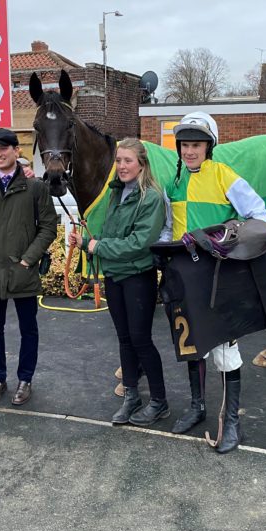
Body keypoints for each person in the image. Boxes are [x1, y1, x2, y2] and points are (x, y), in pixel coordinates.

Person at [160, 111, 266, 454]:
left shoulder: (225, 176)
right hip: (185, 277)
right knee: (192, 345)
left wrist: (225, 237)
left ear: (209, 146)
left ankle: (233, 421)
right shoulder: (173, 182)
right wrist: (164, 251)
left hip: (219, 278)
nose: (189, 151)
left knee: (225, 350)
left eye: (196, 145)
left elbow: (261, 217)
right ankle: (197, 407)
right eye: (184, 145)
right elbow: (169, 227)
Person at [69, 138, 168, 427]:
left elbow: (139, 243)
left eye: (128, 161)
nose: (122, 166)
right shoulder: (116, 193)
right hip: (114, 277)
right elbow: (111, 236)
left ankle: (159, 401)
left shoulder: (151, 198)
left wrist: (97, 247)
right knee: (124, 339)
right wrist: (85, 241)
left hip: (138, 278)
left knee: (141, 340)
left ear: (141, 164)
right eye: (119, 160)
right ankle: (132, 396)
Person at [0, 128, 57, 406]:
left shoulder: (35, 187)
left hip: (23, 272)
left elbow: (48, 227)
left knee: (28, 329)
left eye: (3, 149)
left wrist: (28, 259)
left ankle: (25, 379)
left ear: (16, 151)